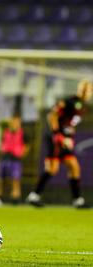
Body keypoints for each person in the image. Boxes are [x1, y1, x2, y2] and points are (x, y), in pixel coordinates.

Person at [26, 80, 93, 208]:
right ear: (81, 89)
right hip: (55, 139)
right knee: (52, 168)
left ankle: (77, 200)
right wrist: (58, 135)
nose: (89, 92)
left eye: (90, 89)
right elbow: (52, 116)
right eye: (87, 89)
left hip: (65, 140)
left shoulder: (82, 106)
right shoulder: (70, 101)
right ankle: (34, 195)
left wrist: (69, 136)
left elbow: (68, 123)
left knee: (74, 166)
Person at [0, 115, 28, 207]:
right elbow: (3, 143)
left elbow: (26, 146)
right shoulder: (6, 132)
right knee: (1, 180)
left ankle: (15, 199)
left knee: (15, 180)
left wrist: (21, 153)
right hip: (5, 158)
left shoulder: (22, 133)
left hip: (15, 159)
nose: (14, 124)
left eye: (16, 122)